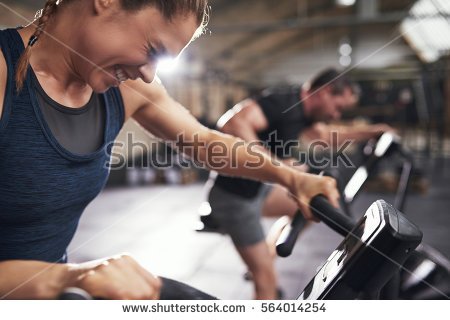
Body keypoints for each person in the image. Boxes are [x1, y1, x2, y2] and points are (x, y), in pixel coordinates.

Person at [0, 0, 339, 299]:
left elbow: (205, 142)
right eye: (152, 50)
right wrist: (66, 278)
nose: (149, 75)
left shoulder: (127, 88)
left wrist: (291, 178)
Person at [203, 68, 395, 299]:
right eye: (338, 107)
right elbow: (233, 124)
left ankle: (265, 256)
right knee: (268, 282)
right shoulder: (283, 101)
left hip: (258, 191)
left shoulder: (305, 113)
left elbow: (327, 136)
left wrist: (373, 131)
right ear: (324, 93)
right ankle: (261, 271)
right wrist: (279, 167)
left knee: (311, 207)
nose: (336, 114)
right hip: (234, 199)